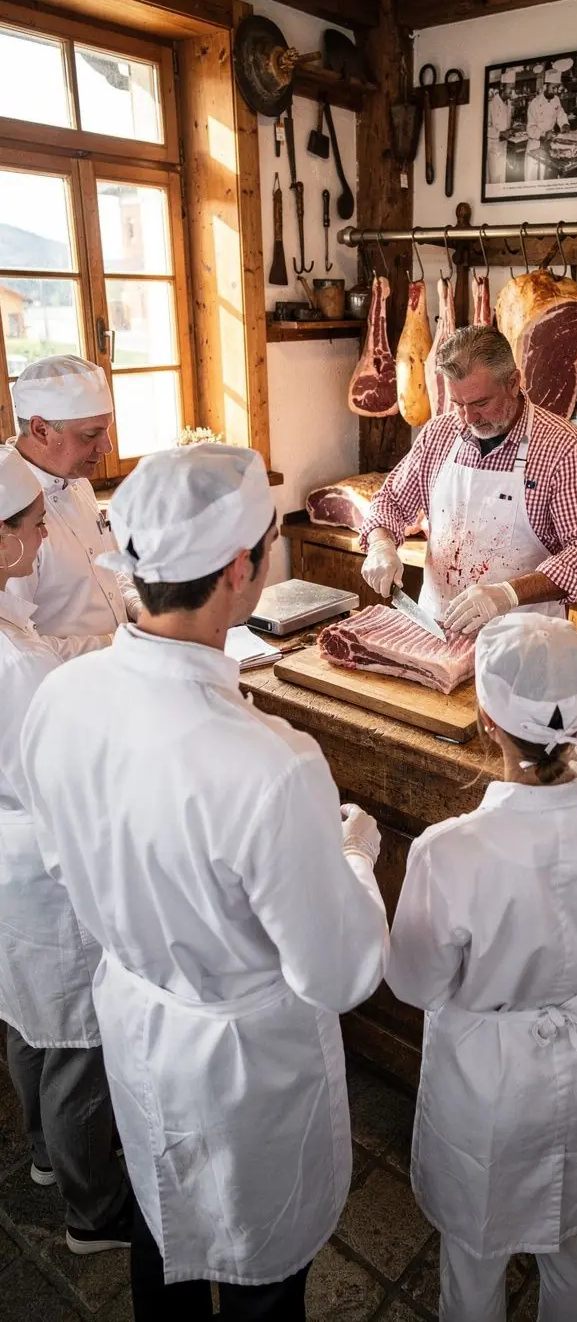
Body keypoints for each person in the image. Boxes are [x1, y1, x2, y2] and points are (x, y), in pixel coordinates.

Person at [20, 443, 390, 1321]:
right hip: (243, 1064)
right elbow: (337, 974)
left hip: (140, 1019)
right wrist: (353, 855)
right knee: (261, 1274)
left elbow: (66, 863)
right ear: (240, 569)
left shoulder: (64, 697)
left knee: (164, 1233)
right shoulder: (271, 764)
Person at [387, 613, 577, 1322]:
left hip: (488, 1071)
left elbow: (415, 983)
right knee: (573, 1241)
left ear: (487, 720)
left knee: (474, 1252)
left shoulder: (451, 850)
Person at [0, 446, 130, 1255]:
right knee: (78, 1040)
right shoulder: (13, 661)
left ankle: (47, 1157)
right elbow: (53, 770)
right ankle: (93, 1212)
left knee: (24, 1019)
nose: (44, 536)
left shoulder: (11, 627)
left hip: (7, 859)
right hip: (37, 859)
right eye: (34, 524)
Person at [360, 326, 577, 636]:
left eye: (480, 403)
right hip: (438, 632)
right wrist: (380, 544)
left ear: (513, 383)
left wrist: (509, 593)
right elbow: (391, 502)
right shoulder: (440, 434)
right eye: (458, 404)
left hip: (522, 639)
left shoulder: (565, 448)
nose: (468, 418)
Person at [8, 354, 140, 638]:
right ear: (40, 429)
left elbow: (106, 570)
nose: (107, 447)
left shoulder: (78, 480)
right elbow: (17, 644)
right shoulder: (8, 506)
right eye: (91, 435)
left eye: (107, 430)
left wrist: (139, 607)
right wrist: (122, 646)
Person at [525, 69, 571, 181]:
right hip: (535, 144)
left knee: (544, 177)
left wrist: (564, 124)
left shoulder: (556, 100)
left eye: (557, 87)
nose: (555, 91)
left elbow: (561, 114)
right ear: (545, 86)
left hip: (548, 145)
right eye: (553, 88)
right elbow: (530, 128)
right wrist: (543, 134)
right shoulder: (534, 103)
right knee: (531, 178)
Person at [487, 75, 513, 183]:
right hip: (493, 146)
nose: (513, 91)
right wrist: (501, 134)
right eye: (510, 88)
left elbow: (507, 123)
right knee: (494, 178)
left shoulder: (508, 104)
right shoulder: (491, 104)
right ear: (502, 86)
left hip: (503, 145)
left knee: (502, 177)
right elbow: (485, 129)